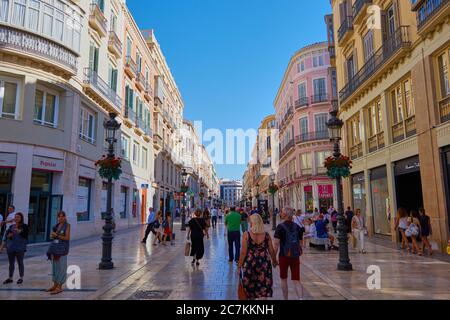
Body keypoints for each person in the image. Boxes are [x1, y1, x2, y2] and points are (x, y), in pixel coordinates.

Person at [238, 214, 278, 300]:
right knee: (264, 287)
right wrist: (274, 261)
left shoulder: (246, 235)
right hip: (264, 264)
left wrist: (239, 265)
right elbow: (271, 250)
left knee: (250, 287)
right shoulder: (266, 235)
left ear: (252, 223)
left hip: (250, 264)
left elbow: (243, 252)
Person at [273, 207, 304, 300]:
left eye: (282, 212)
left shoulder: (280, 227)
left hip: (284, 256)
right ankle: (301, 298)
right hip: (295, 257)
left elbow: (276, 245)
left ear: (285, 214)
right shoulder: (297, 227)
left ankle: (285, 298)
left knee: (283, 279)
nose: (280, 214)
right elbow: (300, 243)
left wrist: (274, 259)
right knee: (296, 280)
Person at [45, 211, 70, 294]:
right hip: (54, 249)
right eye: (59, 216)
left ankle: (59, 286)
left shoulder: (67, 225)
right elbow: (52, 237)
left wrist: (57, 236)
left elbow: (67, 238)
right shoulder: (55, 226)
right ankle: (55, 285)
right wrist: (52, 235)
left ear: (65, 217)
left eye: (62, 216)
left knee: (61, 268)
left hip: (62, 250)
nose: (61, 218)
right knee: (55, 268)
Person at [3, 213, 28, 285]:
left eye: (18, 217)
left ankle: (21, 277)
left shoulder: (24, 226)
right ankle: (10, 278)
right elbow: (8, 236)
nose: (16, 218)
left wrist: (20, 232)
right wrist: (9, 236)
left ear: (21, 218)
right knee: (11, 264)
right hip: (11, 247)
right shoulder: (11, 226)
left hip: (20, 248)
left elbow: (25, 235)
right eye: (15, 217)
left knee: (20, 262)